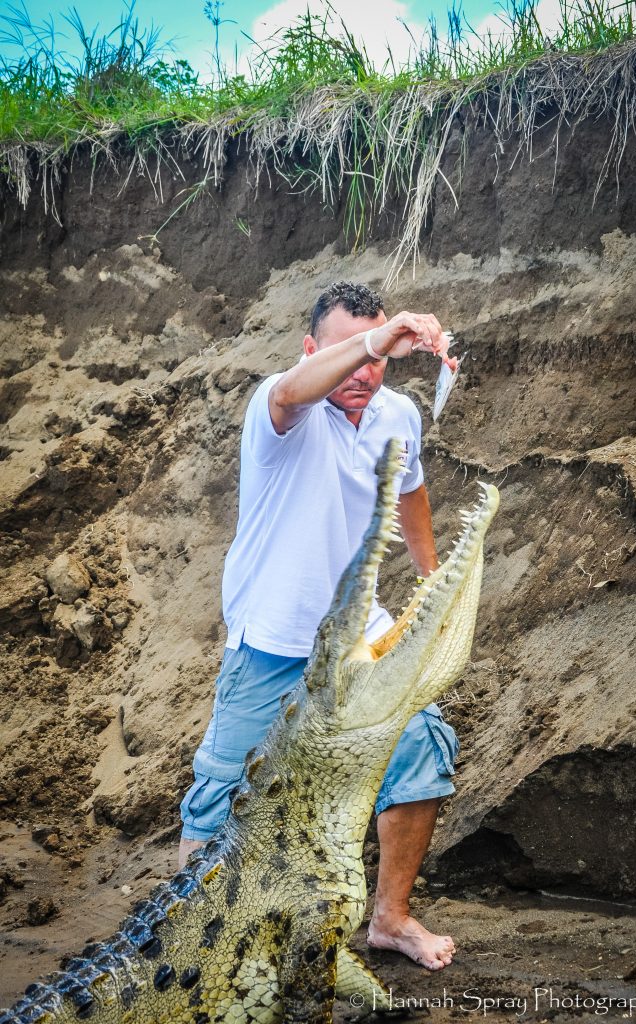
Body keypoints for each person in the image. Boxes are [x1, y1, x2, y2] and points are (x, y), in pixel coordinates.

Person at [178, 281, 461, 971]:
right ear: (311, 350)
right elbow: (291, 392)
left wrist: (432, 579)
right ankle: (189, 931)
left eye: (380, 360)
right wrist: (374, 339)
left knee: (422, 748)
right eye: (350, 355)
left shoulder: (396, 414)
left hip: (361, 640)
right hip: (272, 638)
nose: (366, 373)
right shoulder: (281, 408)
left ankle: (389, 919)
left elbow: (413, 487)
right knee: (218, 798)